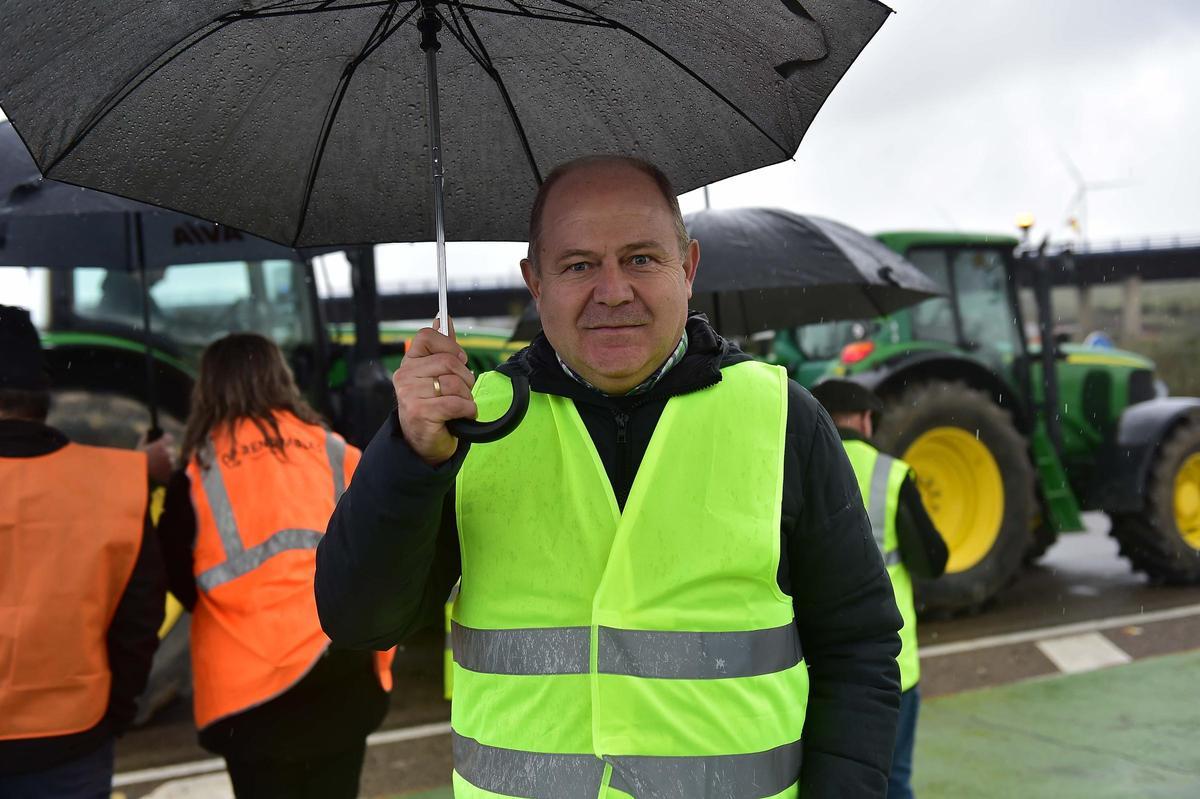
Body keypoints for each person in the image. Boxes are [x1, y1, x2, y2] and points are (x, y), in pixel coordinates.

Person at [316, 155, 904, 798]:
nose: (614, 290)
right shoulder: (464, 426)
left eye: (642, 258)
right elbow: (360, 620)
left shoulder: (784, 418)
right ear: (533, 283)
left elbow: (858, 648)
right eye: (578, 265)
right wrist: (408, 457)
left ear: (689, 267)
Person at [156, 333, 393, 799]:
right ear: (281, 378)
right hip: (340, 672)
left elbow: (178, 579)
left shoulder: (197, 471)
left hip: (251, 694)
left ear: (209, 388)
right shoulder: (336, 451)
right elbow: (382, 549)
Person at [0, 304, 166, 798]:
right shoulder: (120, 484)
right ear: (44, 393)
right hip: (74, 738)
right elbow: (139, 625)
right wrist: (112, 715)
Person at [811, 379, 949, 799]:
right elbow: (933, 561)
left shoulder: (790, 469)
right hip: (890, 664)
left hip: (811, 663)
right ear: (866, 420)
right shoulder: (891, 475)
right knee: (893, 779)